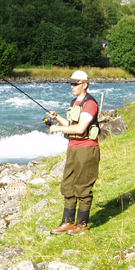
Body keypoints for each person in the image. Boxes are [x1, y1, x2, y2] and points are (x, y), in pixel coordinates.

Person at [46, 70, 101, 235]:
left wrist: (58, 128)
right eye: (71, 83)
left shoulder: (90, 103)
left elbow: (81, 128)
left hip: (87, 149)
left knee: (83, 187)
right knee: (68, 185)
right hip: (73, 148)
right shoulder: (75, 102)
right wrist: (57, 118)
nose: (72, 86)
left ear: (85, 85)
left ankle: (82, 223)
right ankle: (67, 222)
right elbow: (72, 123)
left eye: (76, 83)